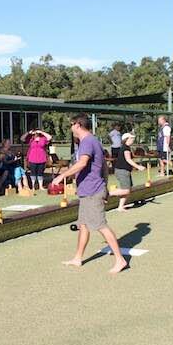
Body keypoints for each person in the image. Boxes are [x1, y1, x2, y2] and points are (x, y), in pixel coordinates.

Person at [52, 113, 127, 274]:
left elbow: (82, 163)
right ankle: (78, 258)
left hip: (92, 191)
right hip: (89, 191)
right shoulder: (93, 141)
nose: (71, 128)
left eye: (71, 125)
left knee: (100, 225)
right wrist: (105, 188)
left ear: (77, 125)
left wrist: (63, 175)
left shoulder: (87, 142)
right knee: (84, 226)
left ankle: (120, 260)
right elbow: (105, 168)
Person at [109, 133, 145, 212]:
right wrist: (138, 166)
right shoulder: (125, 148)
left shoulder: (127, 148)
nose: (132, 140)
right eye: (131, 138)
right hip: (122, 171)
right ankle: (107, 194)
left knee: (127, 189)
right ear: (126, 139)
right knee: (126, 190)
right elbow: (128, 159)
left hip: (125, 170)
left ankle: (120, 207)